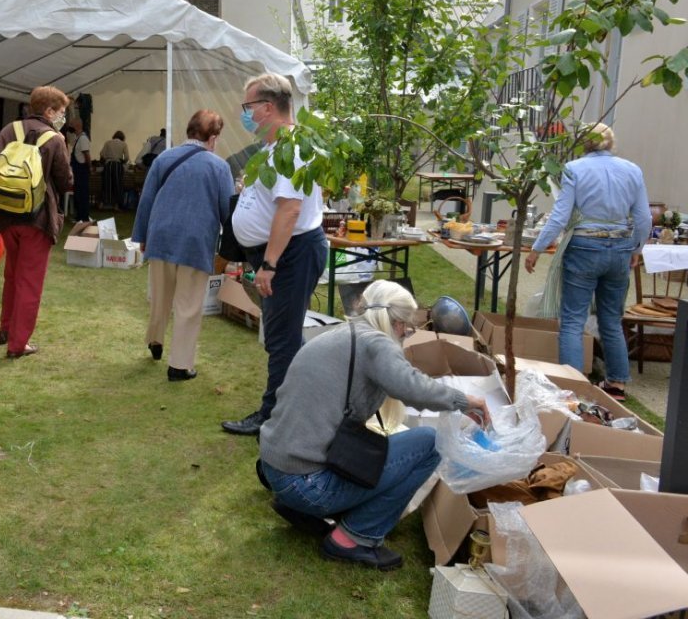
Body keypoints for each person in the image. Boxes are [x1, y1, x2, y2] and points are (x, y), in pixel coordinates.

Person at [257, 281, 490, 570]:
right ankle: (355, 536)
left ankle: (303, 507)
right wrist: (465, 401)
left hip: (277, 468)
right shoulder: (376, 344)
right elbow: (413, 387)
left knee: (385, 446)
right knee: (430, 443)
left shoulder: (341, 334)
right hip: (306, 483)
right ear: (397, 322)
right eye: (407, 326)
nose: (407, 333)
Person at [221, 72, 327, 436]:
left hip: (288, 254)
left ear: (267, 107)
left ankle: (274, 417)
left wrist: (269, 263)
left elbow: (289, 211)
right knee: (284, 337)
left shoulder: (292, 146)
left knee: (281, 339)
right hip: (279, 253)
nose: (244, 114)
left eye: (247, 107)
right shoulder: (274, 147)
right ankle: (292, 406)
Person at [524, 123, 650, 401]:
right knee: (611, 320)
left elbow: (560, 216)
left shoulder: (573, 169)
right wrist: (636, 249)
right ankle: (617, 384)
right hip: (619, 246)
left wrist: (537, 248)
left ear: (584, 143)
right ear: (610, 143)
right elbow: (643, 219)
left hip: (584, 247)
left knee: (572, 320)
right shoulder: (632, 170)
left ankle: (574, 386)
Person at [132, 110, 234, 380]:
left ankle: (155, 341)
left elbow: (147, 200)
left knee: (159, 297)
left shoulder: (164, 158)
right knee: (188, 305)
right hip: (196, 241)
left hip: (161, 236)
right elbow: (227, 210)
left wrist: (142, 236)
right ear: (213, 137)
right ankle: (179, 365)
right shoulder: (219, 167)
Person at [0, 85, 74, 358]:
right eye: (61, 112)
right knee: (29, 282)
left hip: (5, 215)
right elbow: (65, 182)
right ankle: (18, 344)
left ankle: (6, 328)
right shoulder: (55, 139)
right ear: (48, 111)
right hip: (37, 218)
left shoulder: (9, 131)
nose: (62, 117)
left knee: (12, 275)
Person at [98, 130, 129, 210]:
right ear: (122, 137)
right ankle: (116, 205)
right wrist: (122, 161)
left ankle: (102, 204)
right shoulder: (123, 144)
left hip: (108, 165)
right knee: (117, 185)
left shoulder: (108, 142)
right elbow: (126, 157)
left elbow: (102, 154)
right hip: (117, 165)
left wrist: (106, 159)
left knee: (106, 184)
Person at [69, 117, 92, 222]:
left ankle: (84, 217)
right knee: (78, 194)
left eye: (71, 124)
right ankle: (79, 217)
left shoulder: (83, 139)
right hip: (77, 170)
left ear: (77, 125)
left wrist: (90, 167)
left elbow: (86, 155)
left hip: (82, 170)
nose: (70, 127)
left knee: (82, 195)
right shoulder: (77, 138)